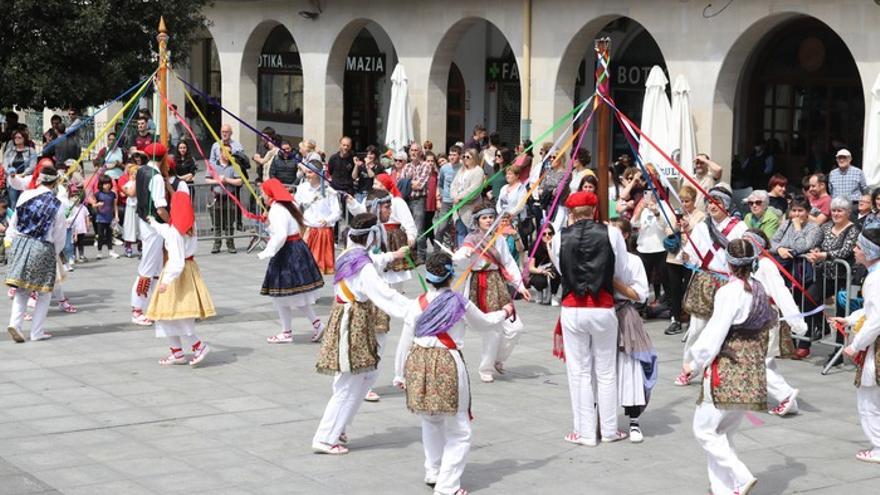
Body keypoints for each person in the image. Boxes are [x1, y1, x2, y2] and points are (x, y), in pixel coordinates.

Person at [393, 252, 514, 495]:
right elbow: (486, 324)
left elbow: (405, 341)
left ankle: (434, 471)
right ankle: (447, 486)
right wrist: (505, 311)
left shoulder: (415, 304)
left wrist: (400, 374)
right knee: (459, 429)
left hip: (418, 360)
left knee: (430, 418)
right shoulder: (460, 303)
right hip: (447, 361)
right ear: (451, 276)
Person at [312, 213, 411, 455]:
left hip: (352, 318)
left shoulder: (348, 255)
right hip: (352, 320)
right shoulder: (363, 266)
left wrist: (394, 255)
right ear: (371, 237)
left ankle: (340, 427)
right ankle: (325, 437)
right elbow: (383, 294)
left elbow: (371, 261)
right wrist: (413, 308)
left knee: (366, 375)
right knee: (350, 381)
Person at [681, 238, 774, 495]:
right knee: (723, 433)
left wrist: (694, 362)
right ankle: (724, 487)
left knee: (704, 430)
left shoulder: (728, 292)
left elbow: (715, 333)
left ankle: (740, 475)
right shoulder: (758, 289)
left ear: (729, 263)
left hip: (727, 368)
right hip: (751, 369)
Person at [547, 190, 630, 445]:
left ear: (571, 214)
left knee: (579, 371)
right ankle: (608, 430)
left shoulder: (560, 237)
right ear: (594, 211)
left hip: (573, 307)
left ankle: (584, 433)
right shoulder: (613, 234)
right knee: (605, 371)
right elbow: (622, 271)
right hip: (603, 306)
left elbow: (561, 269)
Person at [677, 184, 748, 386]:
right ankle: (689, 368)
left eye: (716, 202)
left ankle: (722, 371)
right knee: (697, 328)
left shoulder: (739, 228)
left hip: (729, 282)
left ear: (725, 204)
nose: (712, 206)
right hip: (706, 280)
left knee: (727, 330)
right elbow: (690, 253)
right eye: (709, 202)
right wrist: (684, 254)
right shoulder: (701, 227)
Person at [453, 201, 530, 383]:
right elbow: (459, 259)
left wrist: (521, 286)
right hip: (478, 283)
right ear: (477, 221)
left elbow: (509, 263)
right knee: (492, 330)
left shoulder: (499, 239)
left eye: (490, 217)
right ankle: (485, 368)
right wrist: (463, 256)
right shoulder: (471, 240)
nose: (488, 220)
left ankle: (498, 359)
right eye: (484, 218)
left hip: (497, 283)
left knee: (516, 327)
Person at [144, 191, 215, 366]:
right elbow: (166, 230)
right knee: (170, 314)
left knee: (174, 313)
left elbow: (176, 260)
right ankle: (177, 353)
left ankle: (198, 346)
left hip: (176, 273)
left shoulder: (176, 232)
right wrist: (152, 222)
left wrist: (166, 281)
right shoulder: (189, 226)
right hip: (189, 270)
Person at [258, 178, 326, 344]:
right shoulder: (289, 205)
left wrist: (268, 251)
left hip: (286, 252)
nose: (262, 196)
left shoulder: (277, 209)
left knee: (281, 294)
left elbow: (280, 235)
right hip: (297, 248)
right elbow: (303, 221)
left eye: (263, 193)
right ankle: (313, 324)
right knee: (294, 294)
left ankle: (288, 331)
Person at [5, 166, 66, 342]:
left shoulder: (25, 195)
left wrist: (12, 240)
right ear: (55, 182)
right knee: (44, 292)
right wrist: (55, 252)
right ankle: (36, 332)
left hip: (21, 242)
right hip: (42, 246)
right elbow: (59, 234)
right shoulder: (57, 204)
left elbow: (14, 221)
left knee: (22, 289)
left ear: (40, 179)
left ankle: (15, 324)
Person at [610, 218, 657, 443]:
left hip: (625, 314)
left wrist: (615, 284)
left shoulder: (633, 260)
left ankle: (634, 421)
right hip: (602, 314)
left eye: (617, 233)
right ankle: (602, 416)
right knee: (601, 367)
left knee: (631, 366)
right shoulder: (600, 257)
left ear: (626, 236)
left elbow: (641, 294)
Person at [796, 197, 859, 360]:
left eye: (840, 210)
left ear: (848, 213)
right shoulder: (825, 226)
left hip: (844, 276)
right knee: (809, 297)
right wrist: (815, 252)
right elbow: (818, 244)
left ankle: (837, 351)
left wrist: (825, 255)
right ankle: (819, 327)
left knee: (840, 312)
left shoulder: (853, 229)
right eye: (834, 210)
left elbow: (846, 251)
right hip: (824, 274)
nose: (836, 214)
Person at [837, 227, 880, 463]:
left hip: (876, 346)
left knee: (868, 398)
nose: (854, 250)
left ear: (870, 251)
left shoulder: (875, 278)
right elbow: (872, 311)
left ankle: (878, 446)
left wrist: (856, 345)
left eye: (858, 247)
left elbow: (877, 319)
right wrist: (851, 319)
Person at [130, 143, 171, 326]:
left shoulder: (141, 171)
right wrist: (171, 222)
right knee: (147, 268)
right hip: (154, 226)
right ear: (163, 158)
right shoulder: (156, 178)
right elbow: (160, 207)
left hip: (145, 222)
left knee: (155, 268)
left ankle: (154, 305)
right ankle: (137, 309)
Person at [663, 185, 705, 336]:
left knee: (688, 288)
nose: (684, 204)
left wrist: (689, 228)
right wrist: (676, 226)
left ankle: (690, 319)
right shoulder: (677, 214)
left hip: (690, 257)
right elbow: (667, 230)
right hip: (675, 256)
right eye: (682, 200)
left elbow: (701, 235)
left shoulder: (700, 215)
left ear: (694, 201)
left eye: (687, 201)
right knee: (674, 289)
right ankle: (675, 319)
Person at [296, 162, 342, 275]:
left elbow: (337, 211)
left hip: (323, 232)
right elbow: (296, 205)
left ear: (318, 174)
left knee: (318, 269)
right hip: (307, 230)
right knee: (304, 267)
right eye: (306, 172)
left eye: (310, 172)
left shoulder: (328, 191)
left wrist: (327, 220)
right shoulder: (302, 188)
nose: (307, 175)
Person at [769, 196, 821, 275]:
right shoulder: (787, 223)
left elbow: (800, 248)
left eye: (800, 211)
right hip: (782, 268)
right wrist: (779, 249)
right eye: (794, 210)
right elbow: (771, 242)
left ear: (808, 212)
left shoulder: (814, 229)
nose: (796, 214)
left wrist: (797, 227)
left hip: (800, 273)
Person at [205, 146, 243, 254]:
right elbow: (207, 179)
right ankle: (217, 244)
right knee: (216, 223)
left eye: (230, 152)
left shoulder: (235, 165)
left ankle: (230, 244)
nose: (229, 154)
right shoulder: (213, 165)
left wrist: (227, 180)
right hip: (217, 197)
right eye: (227, 152)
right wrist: (218, 181)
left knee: (229, 223)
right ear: (221, 152)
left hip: (230, 197)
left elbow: (240, 181)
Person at [402, 142, 431, 263]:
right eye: (412, 150)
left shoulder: (426, 166)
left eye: (416, 150)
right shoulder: (406, 166)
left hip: (419, 200)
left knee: (419, 229)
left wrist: (409, 183)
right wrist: (410, 184)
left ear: (421, 152)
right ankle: (410, 254)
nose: (414, 153)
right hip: (407, 199)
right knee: (407, 228)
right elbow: (401, 185)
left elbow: (420, 185)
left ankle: (421, 255)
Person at [450, 149, 485, 248]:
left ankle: (473, 257)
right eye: (464, 157)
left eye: (468, 157)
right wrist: (455, 196)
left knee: (472, 233)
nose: (465, 159)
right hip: (458, 208)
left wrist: (460, 197)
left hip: (470, 207)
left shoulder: (478, 171)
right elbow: (454, 185)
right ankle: (462, 255)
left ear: (474, 158)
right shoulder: (461, 170)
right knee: (460, 232)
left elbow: (474, 189)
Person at [3, 129, 37, 209]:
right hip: (12, 180)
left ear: (24, 138)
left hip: (25, 180)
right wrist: (10, 172)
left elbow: (33, 166)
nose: (17, 139)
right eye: (15, 138)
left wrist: (23, 174)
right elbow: (5, 164)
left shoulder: (30, 151)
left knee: (25, 203)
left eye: (19, 137)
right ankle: (12, 220)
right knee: (13, 203)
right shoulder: (9, 151)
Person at [528, 223, 560, 305]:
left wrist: (549, 247)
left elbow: (556, 263)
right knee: (540, 281)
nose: (547, 236)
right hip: (538, 270)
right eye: (544, 234)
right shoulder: (534, 246)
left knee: (555, 272)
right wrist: (543, 271)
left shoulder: (557, 245)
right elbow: (530, 268)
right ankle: (539, 291)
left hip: (552, 269)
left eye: (550, 234)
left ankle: (554, 294)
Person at [436, 145, 462, 247]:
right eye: (450, 155)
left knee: (458, 227)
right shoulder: (444, 168)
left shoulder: (463, 168)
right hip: (446, 201)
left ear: (459, 156)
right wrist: (440, 197)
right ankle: (436, 251)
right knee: (441, 227)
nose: (451, 157)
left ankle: (456, 249)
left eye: (454, 155)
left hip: (459, 202)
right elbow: (440, 184)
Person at [93, 175, 119, 259]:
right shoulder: (98, 194)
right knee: (100, 235)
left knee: (109, 235)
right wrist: (98, 205)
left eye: (108, 183)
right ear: (101, 185)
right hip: (100, 218)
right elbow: (93, 205)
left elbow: (115, 205)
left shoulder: (112, 194)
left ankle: (111, 250)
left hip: (110, 217)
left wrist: (116, 216)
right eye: (104, 184)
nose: (107, 185)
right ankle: (99, 251)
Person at [121, 164, 140, 258]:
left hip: (138, 206)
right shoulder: (129, 183)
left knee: (139, 226)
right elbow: (127, 192)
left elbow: (130, 192)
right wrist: (126, 192)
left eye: (136, 173)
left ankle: (141, 245)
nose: (134, 175)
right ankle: (128, 245)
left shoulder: (139, 183)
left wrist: (126, 192)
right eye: (133, 173)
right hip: (130, 206)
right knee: (129, 225)